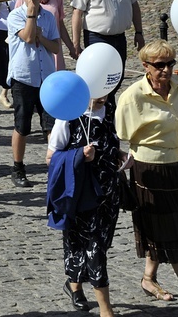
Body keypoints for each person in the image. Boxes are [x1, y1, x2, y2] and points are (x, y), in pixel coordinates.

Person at [115, 40, 178, 314]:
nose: (166, 70)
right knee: (173, 231)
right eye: (159, 65)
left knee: (164, 228)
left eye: (170, 63)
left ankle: (148, 278)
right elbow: (123, 133)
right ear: (145, 66)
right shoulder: (133, 96)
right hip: (150, 168)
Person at [46, 95, 126, 317]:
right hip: (82, 194)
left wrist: (118, 154)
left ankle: (74, 284)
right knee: (94, 247)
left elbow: (108, 142)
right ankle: (105, 309)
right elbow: (51, 158)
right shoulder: (69, 116)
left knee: (98, 244)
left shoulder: (109, 109)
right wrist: (79, 154)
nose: (102, 96)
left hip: (109, 193)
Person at [71, 0, 145, 108]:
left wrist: (139, 32)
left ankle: (107, 110)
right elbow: (77, 13)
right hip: (97, 37)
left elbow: (134, 4)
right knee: (101, 78)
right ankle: (103, 113)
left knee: (116, 77)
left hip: (119, 38)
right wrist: (76, 44)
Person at [7, 0, 61, 188]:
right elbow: (28, 38)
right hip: (24, 77)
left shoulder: (47, 17)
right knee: (22, 125)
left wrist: (42, 37)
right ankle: (18, 167)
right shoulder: (15, 16)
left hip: (46, 77)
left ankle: (56, 168)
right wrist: (31, 15)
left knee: (51, 124)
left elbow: (56, 47)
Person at [14, 0, 76, 71]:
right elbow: (17, 25)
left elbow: (60, 26)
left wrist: (71, 47)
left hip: (52, 45)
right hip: (32, 48)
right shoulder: (23, 0)